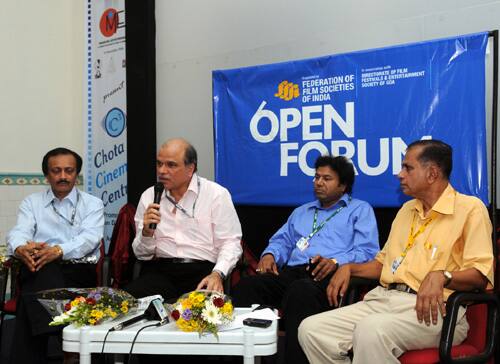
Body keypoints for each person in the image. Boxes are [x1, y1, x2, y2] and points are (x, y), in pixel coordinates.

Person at [298, 140, 494, 364]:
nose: (400, 174)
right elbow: (384, 264)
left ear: (432, 174)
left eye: (407, 168)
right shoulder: (406, 210)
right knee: (311, 330)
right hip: (384, 300)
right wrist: (349, 267)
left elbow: (481, 275)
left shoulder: (470, 209)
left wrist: (443, 276)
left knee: (371, 330)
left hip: (435, 312)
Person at [232, 155, 379, 364]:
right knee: (248, 285)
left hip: (329, 275)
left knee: (300, 291)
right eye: (316, 177)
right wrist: (269, 255)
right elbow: (282, 241)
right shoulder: (301, 212)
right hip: (293, 272)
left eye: (327, 179)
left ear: (343, 185)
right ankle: (246, 358)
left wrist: (336, 261)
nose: (318, 183)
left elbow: (368, 252)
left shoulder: (359, 210)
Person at [7, 147, 104, 364]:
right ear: (47, 174)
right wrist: (21, 247)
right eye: (56, 171)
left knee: (29, 299)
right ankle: (66, 343)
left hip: (78, 271)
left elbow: (90, 238)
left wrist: (58, 251)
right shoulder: (32, 203)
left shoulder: (92, 204)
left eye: (69, 171)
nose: (63, 176)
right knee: (42, 268)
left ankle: (43, 340)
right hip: (39, 267)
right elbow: (19, 231)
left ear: (76, 173)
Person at [125, 138, 242, 300]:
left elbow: (231, 243)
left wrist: (218, 274)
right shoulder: (149, 195)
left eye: (171, 165)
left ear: (190, 168)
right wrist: (146, 233)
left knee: (199, 316)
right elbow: (141, 255)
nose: (162, 171)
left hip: (202, 271)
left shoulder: (216, 194)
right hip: (160, 271)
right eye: (159, 164)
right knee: (129, 304)